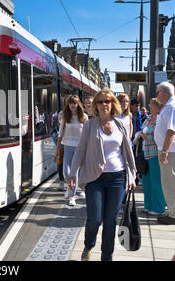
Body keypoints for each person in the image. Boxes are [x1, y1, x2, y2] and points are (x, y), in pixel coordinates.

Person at [68, 89, 137, 261]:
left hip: (118, 177)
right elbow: (80, 150)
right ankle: (88, 245)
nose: (104, 104)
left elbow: (127, 153)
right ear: (96, 106)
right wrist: (72, 174)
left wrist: (131, 176)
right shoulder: (89, 125)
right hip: (94, 178)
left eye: (107, 101)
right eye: (100, 102)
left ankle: (107, 256)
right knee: (95, 219)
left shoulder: (120, 124)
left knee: (110, 221)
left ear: (112, 103)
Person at [134, 98, 166, 216]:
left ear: (158, 108)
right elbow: (142, 131)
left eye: (152, 106)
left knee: (156, 182)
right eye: (150, 105)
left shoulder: (160, 120)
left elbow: (162, 135)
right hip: (145, 154)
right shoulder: (147, 120)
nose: (150, 108)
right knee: (147, 182)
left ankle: (158, 208)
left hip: (155, 154)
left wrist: (148, 137)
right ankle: (148, 205)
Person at [54, 95, 87, 206]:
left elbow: (87, 135)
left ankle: (72, 196)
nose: (73, 105)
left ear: (78, 104)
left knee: (74, 172)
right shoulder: (64, 116)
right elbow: (60, 133)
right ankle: (70, 187)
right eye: (71, 103)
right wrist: (57, 148)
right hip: (67, 146)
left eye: (75, 103)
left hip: (80, 148)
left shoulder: (84, 117)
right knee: (66, 172)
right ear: (68, 105)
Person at [154, 81, 175, 225]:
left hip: (170, 151)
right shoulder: (168, 107)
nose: (157, 96)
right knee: (169, 182)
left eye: (157, 92)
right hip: (169, 150)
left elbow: (171, 131)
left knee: (169, 183)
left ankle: (173, 214)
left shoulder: (170, 107)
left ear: (165, 92)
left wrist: (164, 151)